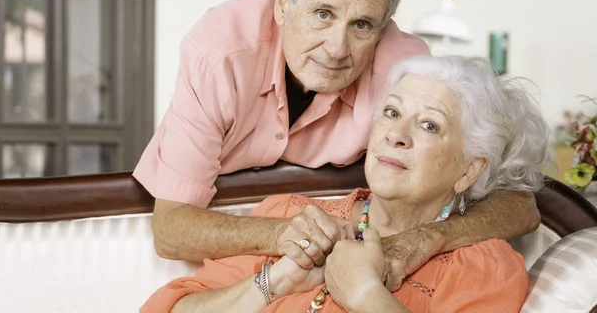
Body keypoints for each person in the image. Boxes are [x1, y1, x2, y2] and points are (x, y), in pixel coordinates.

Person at [134, 0, 541, 288]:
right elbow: (170, 228)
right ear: (282, 4)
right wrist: (281, 234)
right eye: (323, 14)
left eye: (362, 25)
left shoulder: (404, 70)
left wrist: (424, 240)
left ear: (382, 29)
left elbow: (519, 203)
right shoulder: (217, 51)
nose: (336, 48)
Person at [141, 55, 554, 312]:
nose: (397, 134)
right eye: (391, 113)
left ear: (469, 169)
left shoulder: (483, 268)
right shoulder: (293, 219)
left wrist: (367, 297)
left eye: (429, 124)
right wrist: (274, 284)